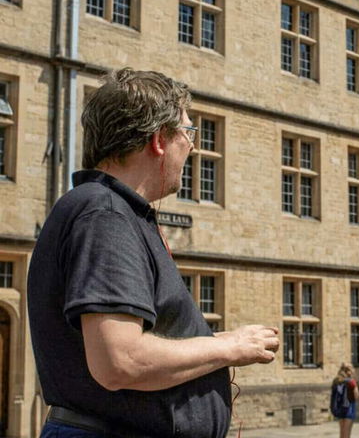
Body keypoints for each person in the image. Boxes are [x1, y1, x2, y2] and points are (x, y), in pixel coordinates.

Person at [27, 69, 281, 438]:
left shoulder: (112, 210)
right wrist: (229, 347)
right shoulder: (105, 214)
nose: (193, 146)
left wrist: (218, 345)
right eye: (188, 133)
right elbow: (120, 361)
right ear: (159, 139)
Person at [331, 363, 359, 438]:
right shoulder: (351, 382)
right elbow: (356, 396)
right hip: (349, 409)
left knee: (342, 432)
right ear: (349, 371)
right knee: (347, 433)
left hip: (339, 408)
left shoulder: (336, 381)